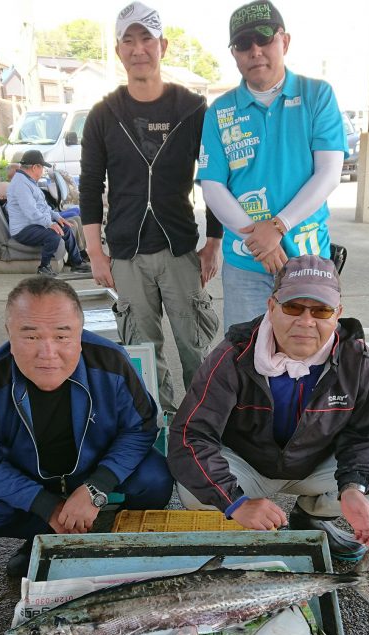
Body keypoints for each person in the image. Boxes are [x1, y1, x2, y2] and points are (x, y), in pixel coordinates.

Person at [167, 255, 369, 561]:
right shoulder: (232, 356)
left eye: (321, 310)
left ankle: (311, 516)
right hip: (249, 466)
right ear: (271, 306)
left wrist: (352, 487)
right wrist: (235, 502)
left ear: (338, 314)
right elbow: (190, 435)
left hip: (315, 466)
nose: (306, 322)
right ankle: (246, 515)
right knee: (192, 488)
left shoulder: (359, 361)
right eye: (293, 307)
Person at [0, 276, 173, 578]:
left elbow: (141, 428)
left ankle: (113, 528)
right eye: (31, 336)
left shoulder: (112, 362)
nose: (47, 352)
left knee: (156, 478)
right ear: (9, 334)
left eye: (62, 336)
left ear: (80, 334)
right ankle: (45, 532)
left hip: (93, 470)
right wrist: (45, 505)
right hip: (28, 480)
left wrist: (96, 488)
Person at [79, 2, 223, 413]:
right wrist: (95, 252)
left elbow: (213, 180)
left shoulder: (192, 108)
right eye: (129, 40)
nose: (138, 49)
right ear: (118, 49)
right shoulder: (103, 115)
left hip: (180, 248)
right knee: (140, 350)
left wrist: (214, 242)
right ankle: (158, 427)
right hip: (126, 253)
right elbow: (90, 186)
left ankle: (201, 428)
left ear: (163, 45)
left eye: (147, 39)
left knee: (195, 343)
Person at [197, 1, 347, 330]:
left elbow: (329, 172)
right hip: (245, 263)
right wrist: (260, 242)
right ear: (234, 53)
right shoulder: (220, 111)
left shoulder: (316, 95)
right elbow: (212, 185)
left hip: (308, 261)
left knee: (308, 356)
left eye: (264, 39)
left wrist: (278, 226)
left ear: (285, 41)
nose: (255, 51)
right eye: (243, 44)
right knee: (246, 357)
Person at [7, 149, 92, 278]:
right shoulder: (21, 184)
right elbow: (30, 211)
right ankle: (43, 267)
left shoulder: (28, 181)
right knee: (53, 235)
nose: (42, 172)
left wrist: (57, 217)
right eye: (42, 168)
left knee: (66, 228)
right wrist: (49, 224)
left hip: (34, 224)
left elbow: (43, 207)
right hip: (23, 229)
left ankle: (76, 262)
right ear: (35, 167)